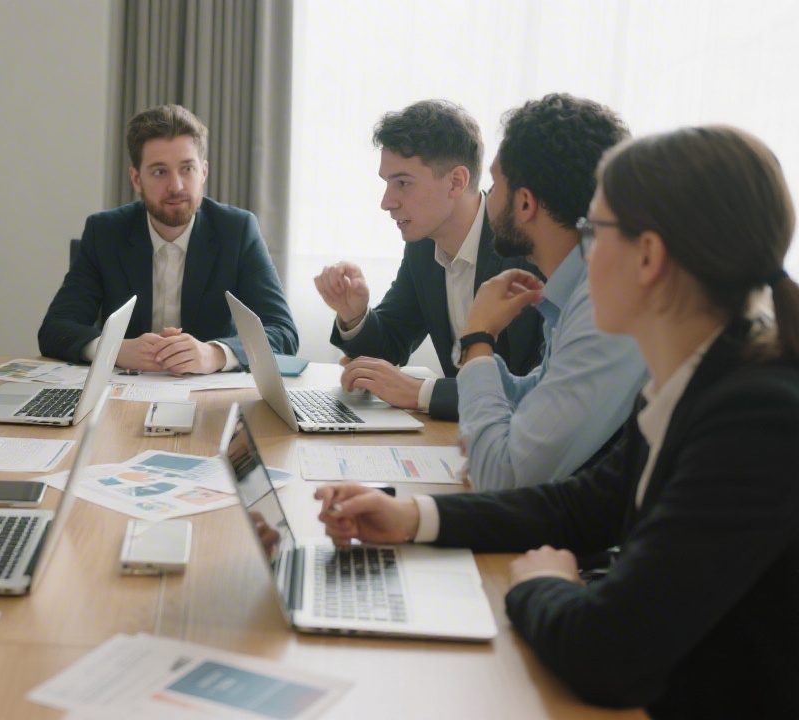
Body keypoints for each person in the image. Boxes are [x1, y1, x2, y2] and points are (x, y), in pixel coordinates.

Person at [315, 125, 799, 718]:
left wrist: (539, 584)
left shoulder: (758, 419)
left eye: (595, 231)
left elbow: (609, 650)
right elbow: (580, 505)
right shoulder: (689, 380)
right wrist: (412, 516)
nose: (581, 254)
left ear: (648, 256)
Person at [455, 94, 645, 489]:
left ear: (525, 203)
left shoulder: (603, 305)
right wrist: (484, 356)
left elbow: (502, 477)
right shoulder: (576, 288)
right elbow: (537, 398)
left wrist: (477, 341)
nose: (487, 199)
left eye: (494, 184)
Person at [315, 100, 543, 420]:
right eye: (387, 183)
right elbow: (389, 349)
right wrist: (354, 315)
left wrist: (420, 392)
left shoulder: (526, 244)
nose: (386, 202)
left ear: (456, 182)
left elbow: (542, 389)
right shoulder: (423, 246)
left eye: (403, 183)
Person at [38, 104, 297, 374]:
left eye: (187, 169)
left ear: (204, 172)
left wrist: (216, 354)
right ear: (136, 179)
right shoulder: (104, 232)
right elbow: (56, 329)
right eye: (160, 172)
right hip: (122, 396)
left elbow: (283, 332)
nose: (176, 186)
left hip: (209, 397)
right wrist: (113, 348)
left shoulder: (238, 230)